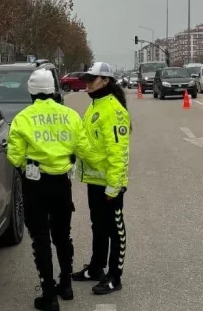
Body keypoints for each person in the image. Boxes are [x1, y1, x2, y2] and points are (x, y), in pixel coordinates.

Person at [7, 69, 103, 311]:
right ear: (53, 90)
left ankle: (48, 295)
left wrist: (26, 165)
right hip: (62, 184)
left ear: (31, 92)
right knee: (62, 235)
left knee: (40, 239)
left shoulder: (22, 118)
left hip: (35, 184)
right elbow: (84, 149)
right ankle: (66, 285)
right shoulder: (70, 116)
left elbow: (14, 156)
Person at [72, 61, 131, 295]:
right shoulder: (96, 105)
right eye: (86, 79)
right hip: (95, 181)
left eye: (92, 79)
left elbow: (119, 153)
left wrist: (114, 187)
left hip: (109, 184)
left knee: (115, 231)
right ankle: (96, 268)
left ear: (105, 81)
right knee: (98, 227)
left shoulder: (114, 111)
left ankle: (114, 277)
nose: (87, 83)